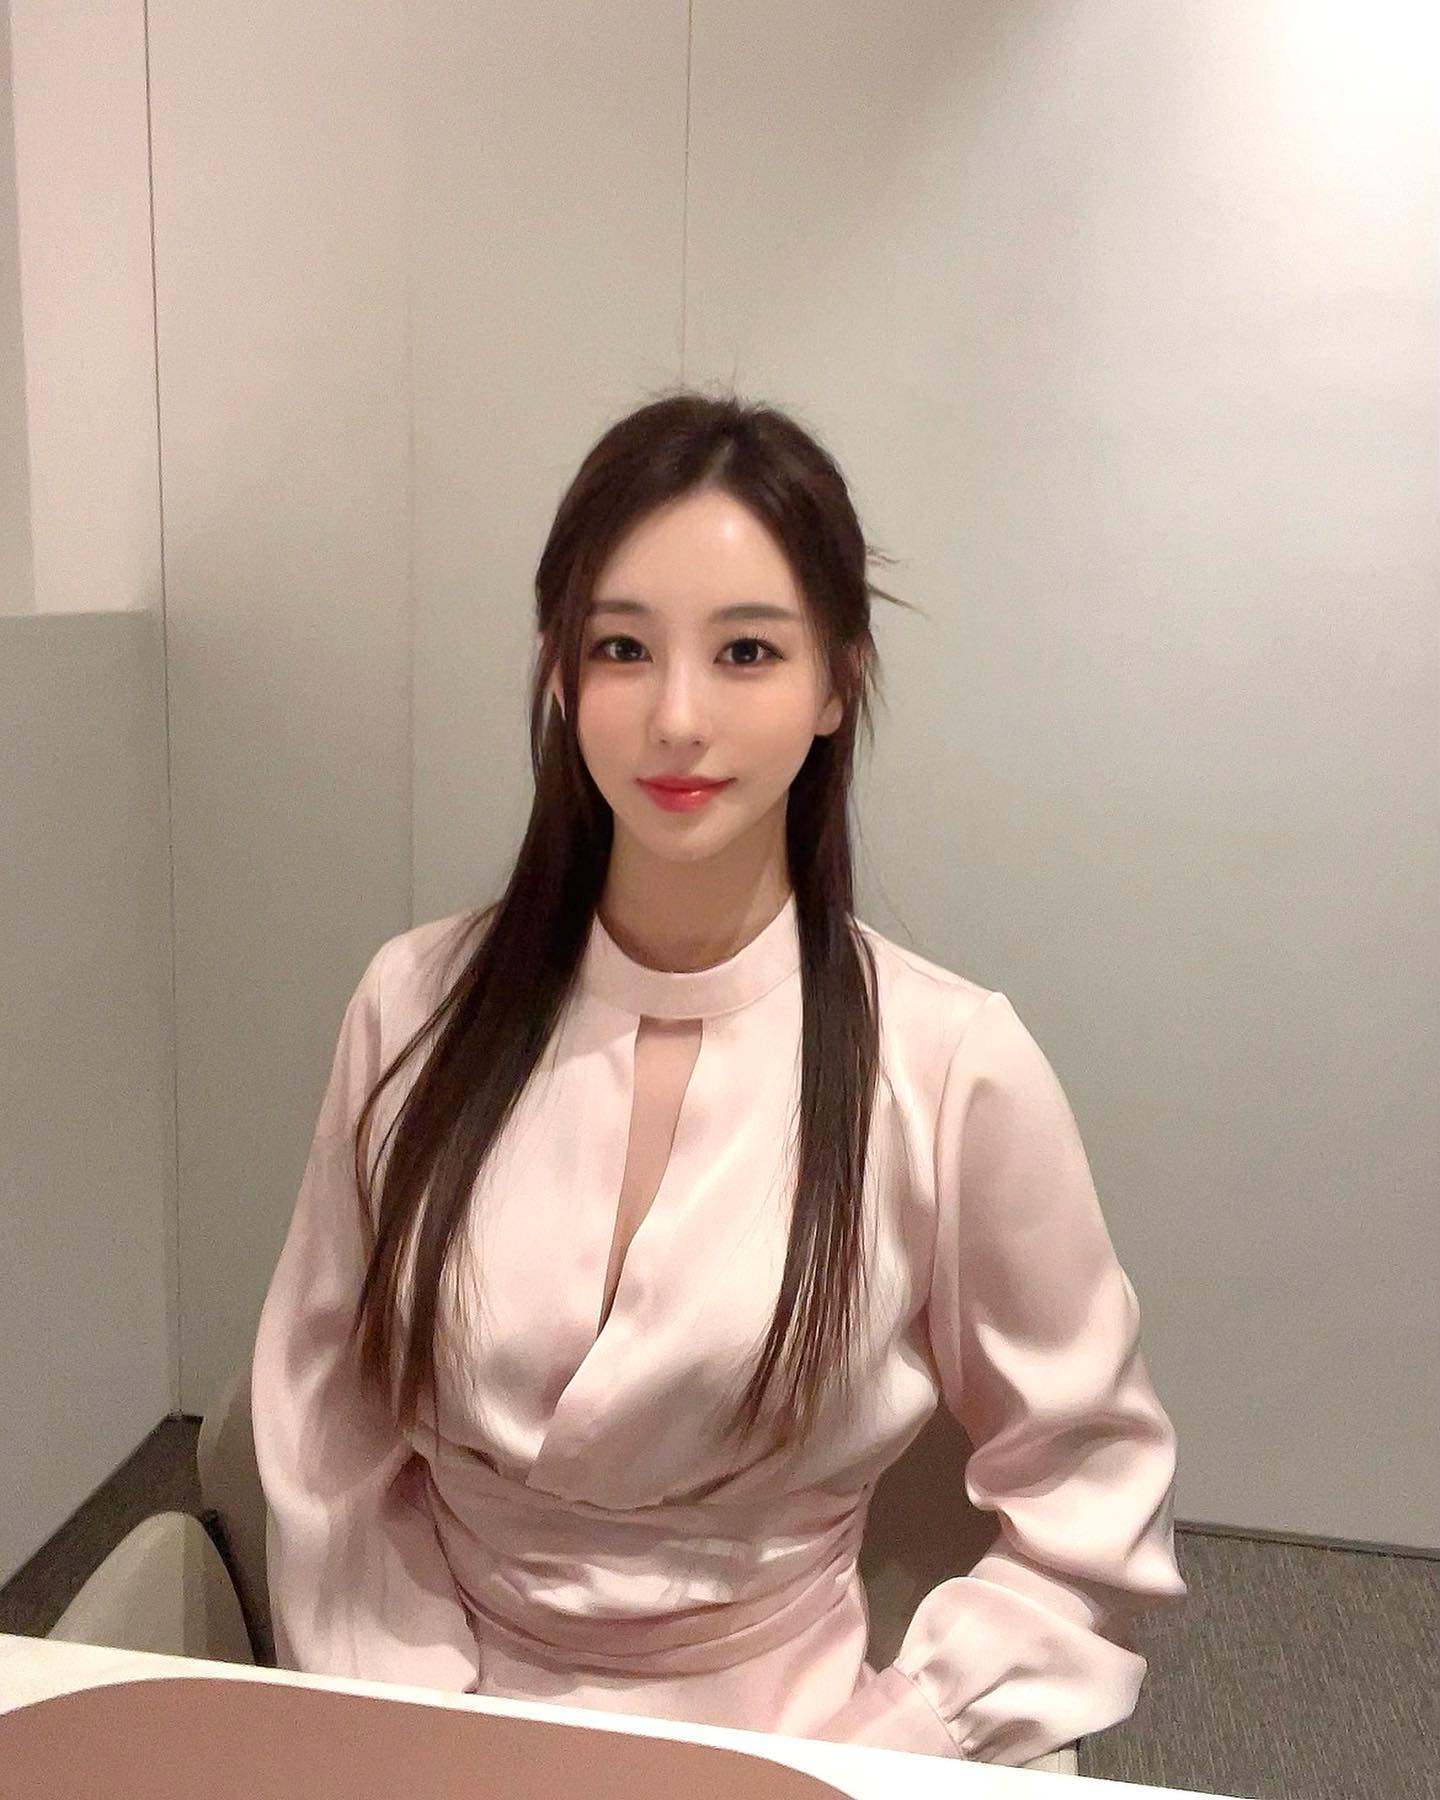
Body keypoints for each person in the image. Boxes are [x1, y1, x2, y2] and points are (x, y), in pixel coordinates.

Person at [251, 387, 1187, 1769]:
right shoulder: (413, 1007)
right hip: (432, 1728)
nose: (677, 718)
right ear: (560, 673)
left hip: (791, 1747)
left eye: (746, 651)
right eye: (622, 648)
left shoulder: (949, 1066)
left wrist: (897, 1735)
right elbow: (326, 1434)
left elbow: (1094, 1495)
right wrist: (411, 1728)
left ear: (837, 682)